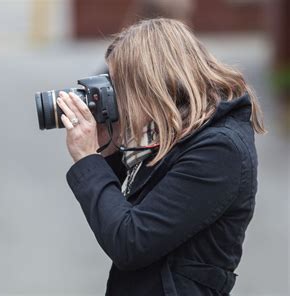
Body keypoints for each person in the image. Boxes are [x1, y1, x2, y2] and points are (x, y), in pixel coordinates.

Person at [56, 18, 265, 295]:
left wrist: (86, 159)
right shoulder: (183, 130)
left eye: (120, 87)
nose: (118, 100)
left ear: (150, 83)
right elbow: (126, 210)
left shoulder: (219, 150)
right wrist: (109, 146)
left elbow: (130, 241)